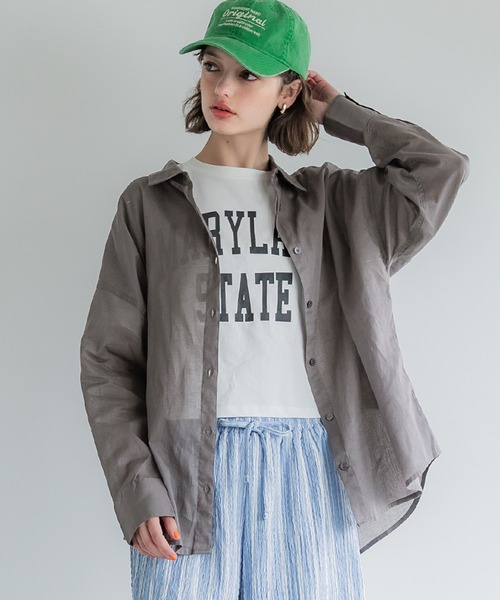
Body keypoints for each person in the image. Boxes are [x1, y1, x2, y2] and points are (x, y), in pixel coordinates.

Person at [80, 1, 469, 598]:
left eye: (248, 74)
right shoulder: (150, 204)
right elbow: (109, 360)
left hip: (310, 464)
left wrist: (339, 112)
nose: (223, 88)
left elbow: (438, 169)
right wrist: (137, 487)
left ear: (288, 92)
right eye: (213, 66)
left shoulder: (333, 205)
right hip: (184, 469)